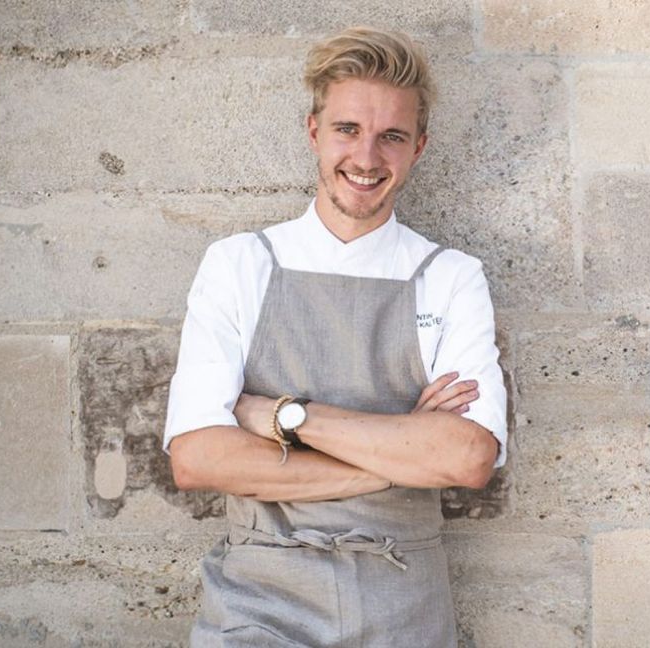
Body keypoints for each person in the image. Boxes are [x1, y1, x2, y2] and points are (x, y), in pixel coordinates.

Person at [162, 26, 507, 647]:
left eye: (392, 137)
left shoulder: (451, 278)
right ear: (314, 131)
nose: (367, 158)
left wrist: (286, 418)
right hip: (258, 601)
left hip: (404, 604)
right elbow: (197, 459)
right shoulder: (240, 264)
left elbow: (466, 457)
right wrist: (398, 456)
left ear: (418, 148)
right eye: (348, 130)